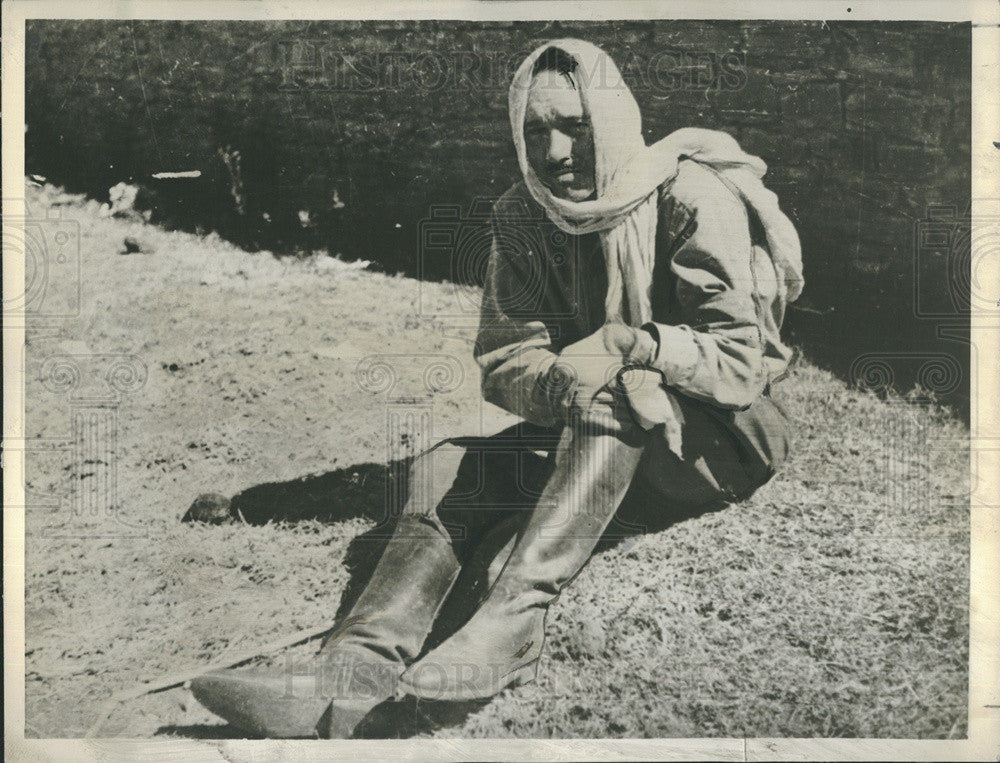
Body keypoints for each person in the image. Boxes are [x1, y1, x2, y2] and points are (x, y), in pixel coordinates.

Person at [190, 38, 803, 738]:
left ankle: (510, 624)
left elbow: (737, 355)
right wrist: (573, 378)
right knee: (451, 461)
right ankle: (348, 668)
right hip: (597, 433)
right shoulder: (523, 215)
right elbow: (508, 359)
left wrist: (637, 347)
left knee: (622, 391)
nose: (555, 153)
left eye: (574, 126)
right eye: (535, 131)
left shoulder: (690, 195)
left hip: (719, 436)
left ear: (610, 118)